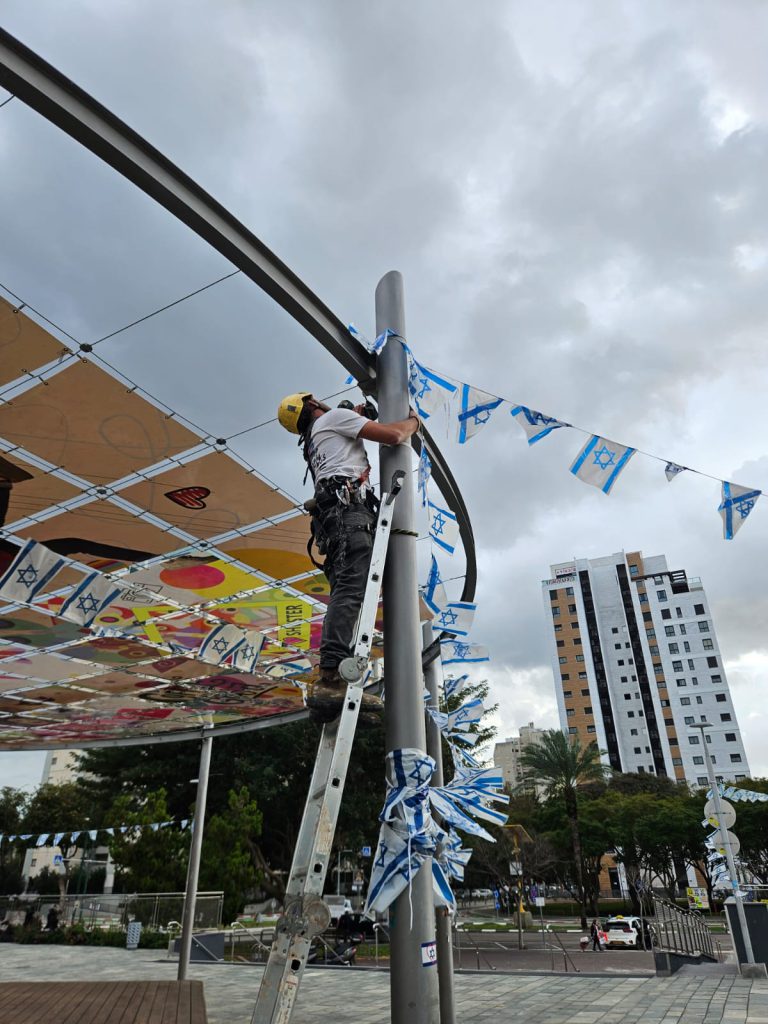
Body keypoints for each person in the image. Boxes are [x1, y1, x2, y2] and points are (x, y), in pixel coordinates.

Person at [277, 392, 420, 718]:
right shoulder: (332, 420)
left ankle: (331, 692)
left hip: (333, 519)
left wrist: (357, 415)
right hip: (348, 515)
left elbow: (345, 441)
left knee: (348, 590)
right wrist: (414, 421)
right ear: (312, 405)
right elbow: (394, 435)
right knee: (351, 589)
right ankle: (330, 679)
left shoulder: (316, 437)